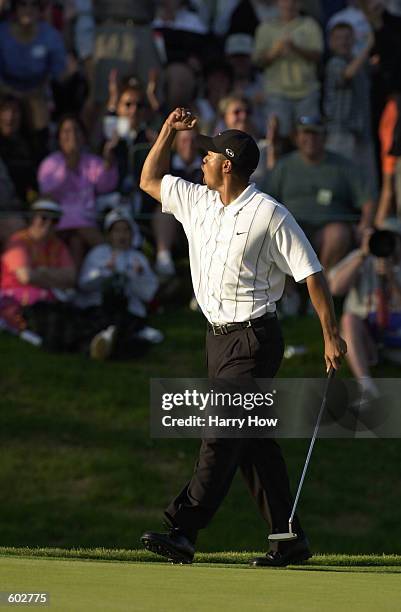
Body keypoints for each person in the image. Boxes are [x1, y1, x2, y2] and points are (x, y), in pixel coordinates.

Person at [138, 107, 347, 567]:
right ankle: (287, 537)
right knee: (252, 443)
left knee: (220, 432)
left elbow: (312, 273)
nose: (202, 160)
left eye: (210, 155)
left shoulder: (268, 214)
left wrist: (330, 335)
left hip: (253, 339)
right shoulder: (197, 200)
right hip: (216, 342)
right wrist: (167, 132)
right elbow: (149, 180)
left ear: (227, 164)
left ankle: (184, 530)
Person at [267, 115, 374, 270]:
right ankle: (290, 292)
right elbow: (267, 198)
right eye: (305, 133)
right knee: (276, 235)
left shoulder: (344, 166)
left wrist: (365, 225)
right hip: (293, 228)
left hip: (329, 231)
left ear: (325, 137)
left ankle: (322, 285)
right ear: (296, 137)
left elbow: (368, 200)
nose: (310, 138)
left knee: (338, 234)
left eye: (315, 133)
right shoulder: (283, 166)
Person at [328, 218, 401, 400]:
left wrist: (392, 278)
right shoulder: (361, 258)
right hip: (367, 334)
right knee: (348, 320)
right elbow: (335, 288)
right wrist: (362, 254)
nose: (387, 243)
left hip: (397, 334)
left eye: (392, 238)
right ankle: (366, 386)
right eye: (382, 237)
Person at [76, 208, 162, 360]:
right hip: (98, 309)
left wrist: (138, 276)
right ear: (109, 234)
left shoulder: (138, 258)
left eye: (126, 230)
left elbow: (149, 294)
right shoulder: (98, 254)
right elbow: (84, 284)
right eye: (117, 230)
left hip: (128, 312)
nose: (122, 235)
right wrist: (104, 272)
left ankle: (108, 342)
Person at [37, 114, 118, 267]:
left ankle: (74, 284)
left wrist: (108, 163)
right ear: (59, 137)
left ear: (83, 136)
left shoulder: (92, 161)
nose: (72, 136)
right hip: (58, 221)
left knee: (77, 242)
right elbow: (48, 192)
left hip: (86, 220)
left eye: (76, 131)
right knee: (87, 236)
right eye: (66, 131)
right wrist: (68, 168)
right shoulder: (50, 163)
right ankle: (114, 260)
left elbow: (106, 186)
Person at [0, 198, 76, 349]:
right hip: (14, 299)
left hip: (46, 298)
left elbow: (71, 277)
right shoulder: (19, 241)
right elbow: (25, 276)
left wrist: (42, 272)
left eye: (54, 220)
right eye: (43, 218)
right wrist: (54, 277)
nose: (48, 224)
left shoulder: (57, 245)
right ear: (32, 218)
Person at [252, 0, 323, 137]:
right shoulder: (265, 27)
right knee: (278, 135)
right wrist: (275, 52)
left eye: (293, 2)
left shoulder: (310, 25)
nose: (289, 5)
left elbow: (318, 56)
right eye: (285, 2)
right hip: (276, 93)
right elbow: (258, 61)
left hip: (306, 92)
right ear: (278, 3)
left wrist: (296, 48)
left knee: (309, 134)